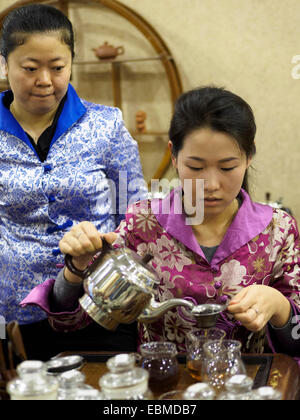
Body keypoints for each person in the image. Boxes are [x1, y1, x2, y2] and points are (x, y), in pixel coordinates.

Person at [22, 86, 300, 361]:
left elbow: (296, 338)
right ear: (175, 156)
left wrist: (278, 307)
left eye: (227, 167)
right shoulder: (143, 224)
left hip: (245, 382)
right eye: (196, 167)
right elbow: (70, 321)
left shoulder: (278, 230)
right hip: (163, 385)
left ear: (249, 157)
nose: (212, 185)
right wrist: (76, 267)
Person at [0, 4, 147, 359]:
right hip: (18, 313)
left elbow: (137, 212)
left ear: (71, 64)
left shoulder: (106, 126)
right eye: (30, 68)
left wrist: (105, 243)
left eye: (57, 67)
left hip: (102, 304)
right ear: (4, 64)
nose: (45, 80)